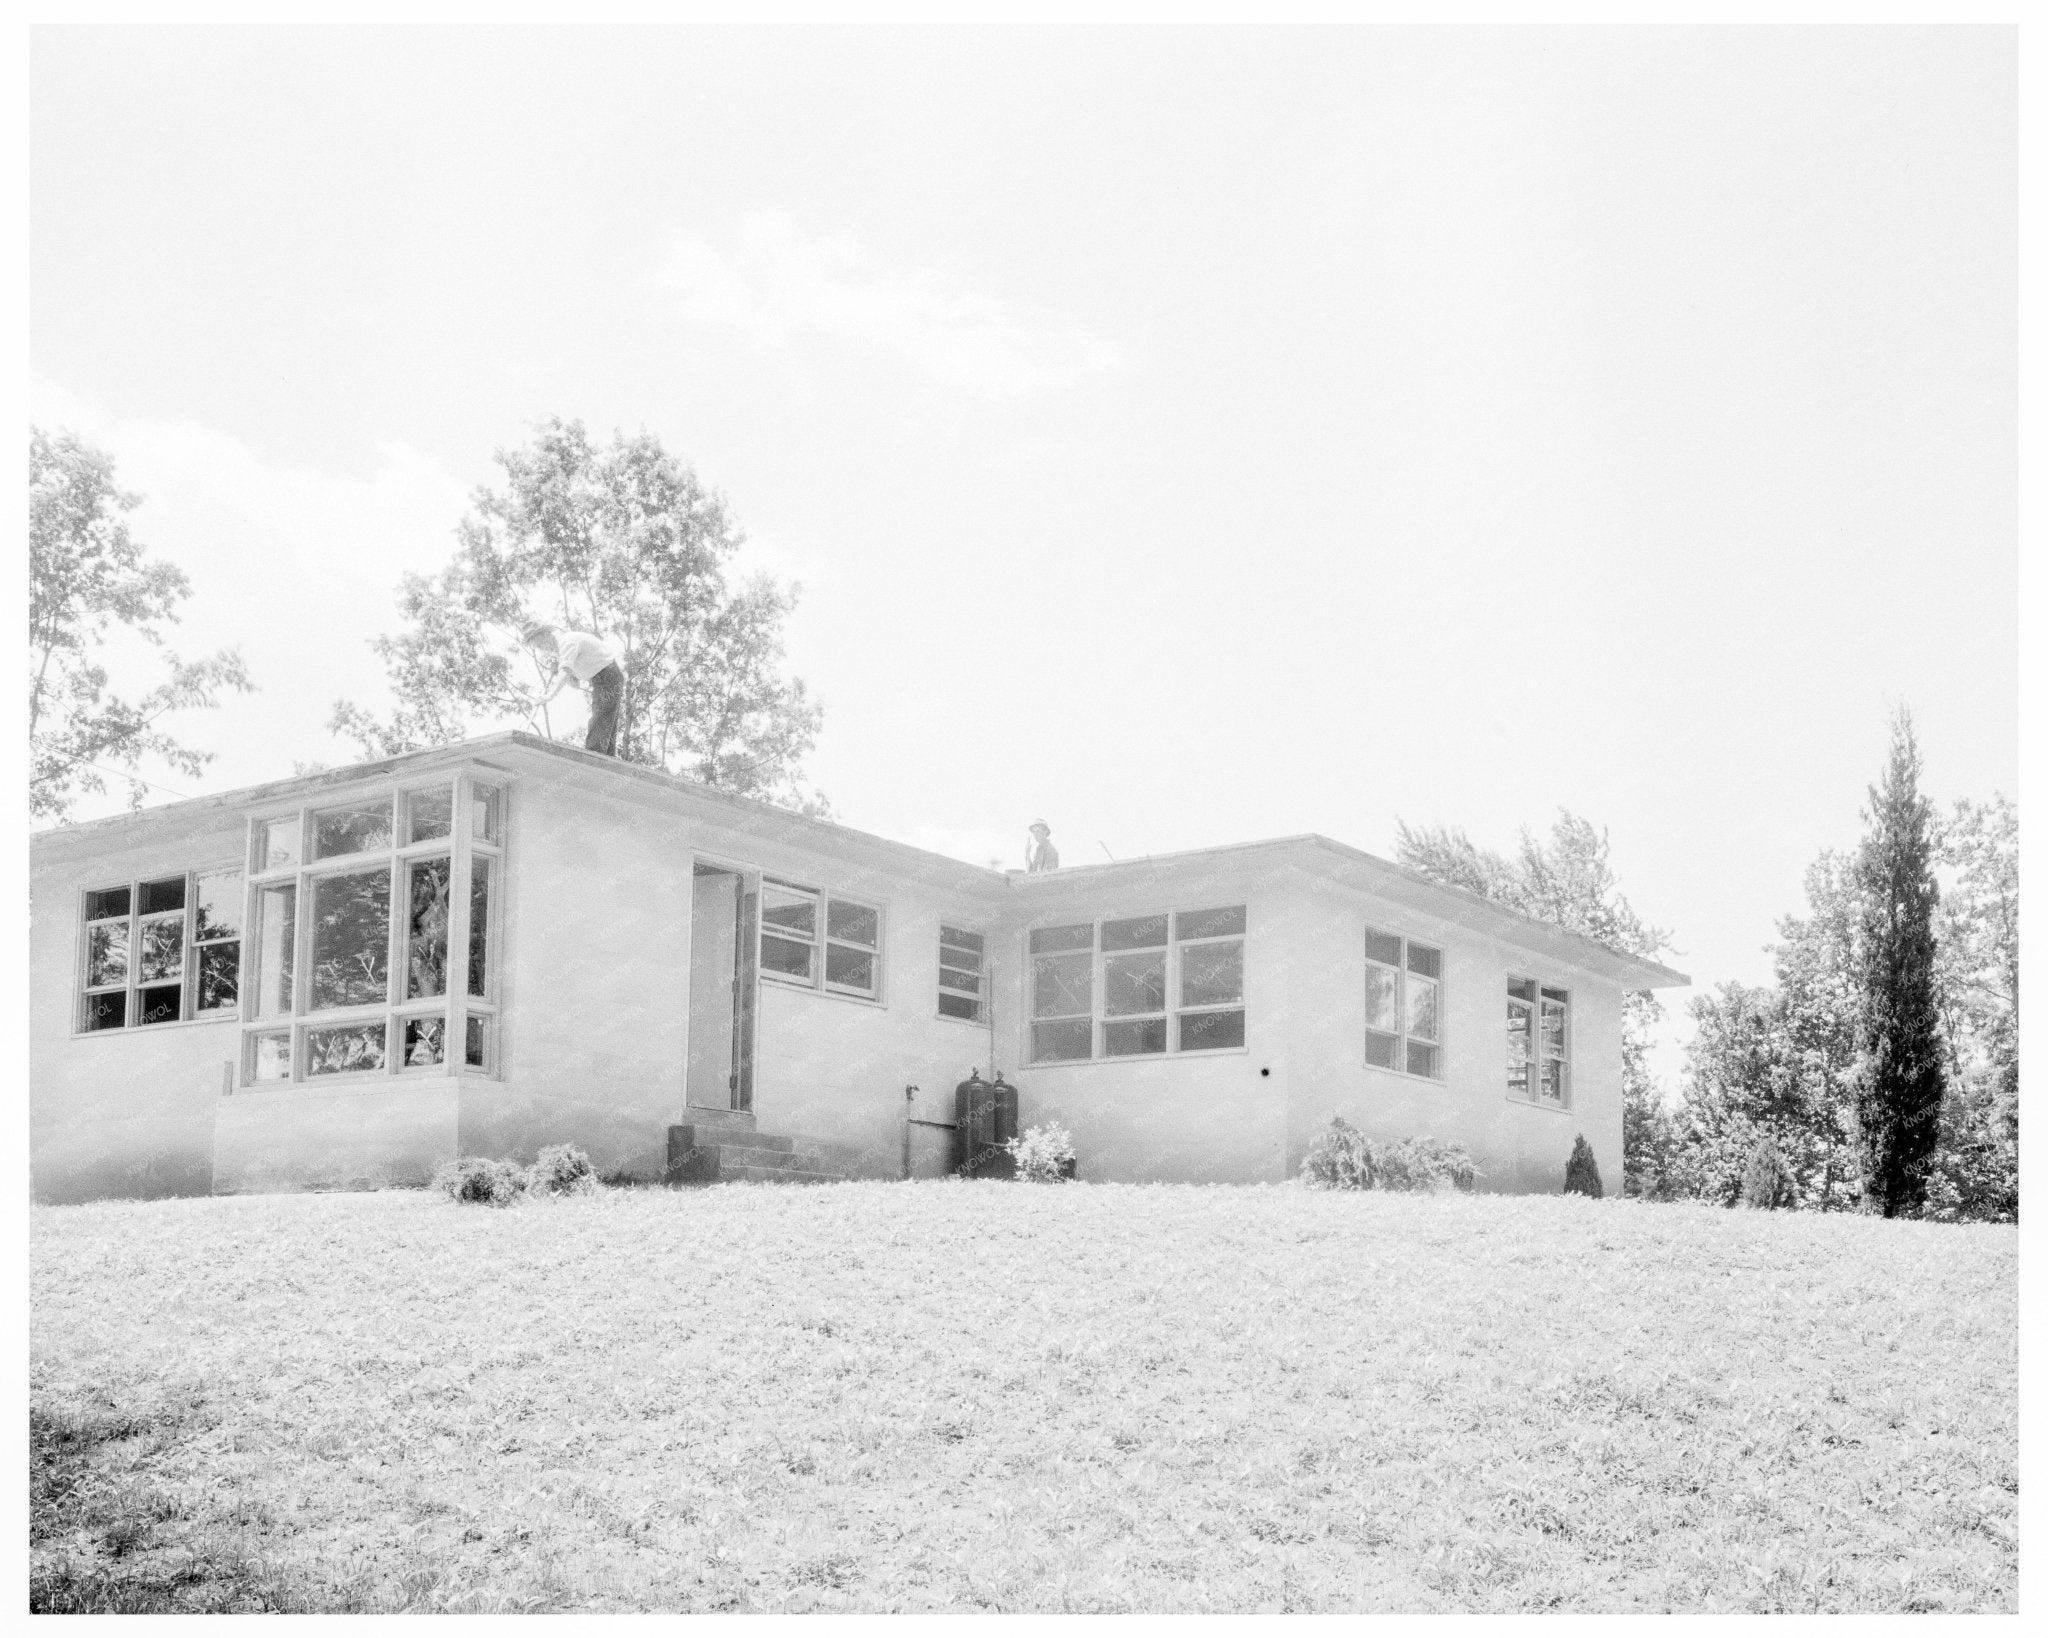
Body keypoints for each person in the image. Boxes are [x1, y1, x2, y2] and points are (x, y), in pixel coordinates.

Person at [522, 620, 625, 756]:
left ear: (546, 635)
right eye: (539, 647)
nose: (542, 649)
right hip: (601, 678)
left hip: (608, 675)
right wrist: (557, 667)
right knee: (606, 722)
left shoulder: (567, 642)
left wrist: (550, 695)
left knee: (600, 717)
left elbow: (565, 672)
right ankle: (607, 759)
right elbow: (575, 684)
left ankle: (592, 757)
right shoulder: (562, 652)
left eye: (540, 644)